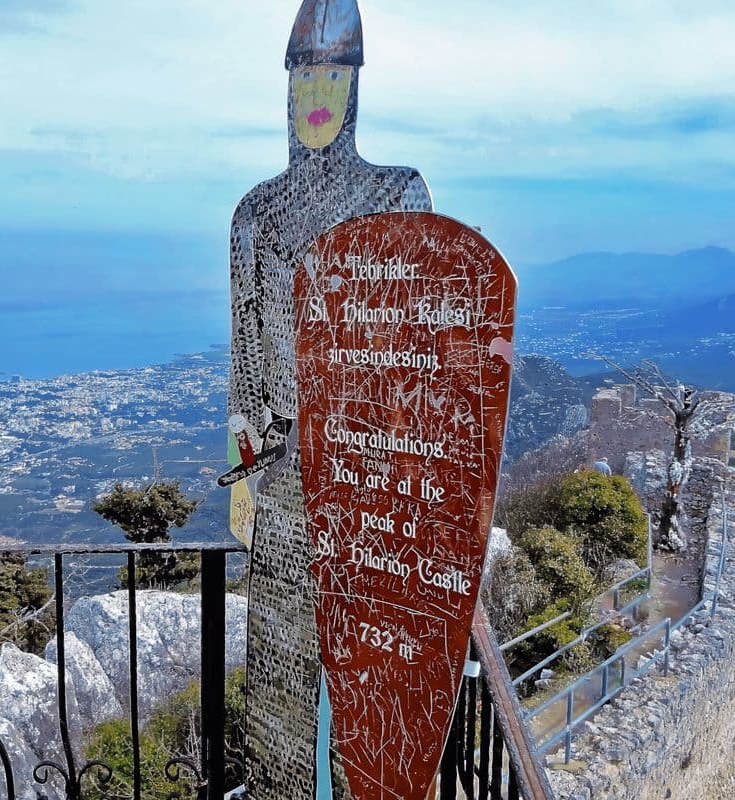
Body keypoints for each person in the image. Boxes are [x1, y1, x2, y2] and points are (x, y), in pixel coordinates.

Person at [227, 2, 432, 797]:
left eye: (333, 74)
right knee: (279, 670)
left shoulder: (397, 195)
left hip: (372, 477)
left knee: (366, 672)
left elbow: (421, 356)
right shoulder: (255, 217)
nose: (318, 91)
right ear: (286, 88)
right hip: (282, 479)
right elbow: (246, 360)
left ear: (354, 87)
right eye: (305, 73)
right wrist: (242, 475)